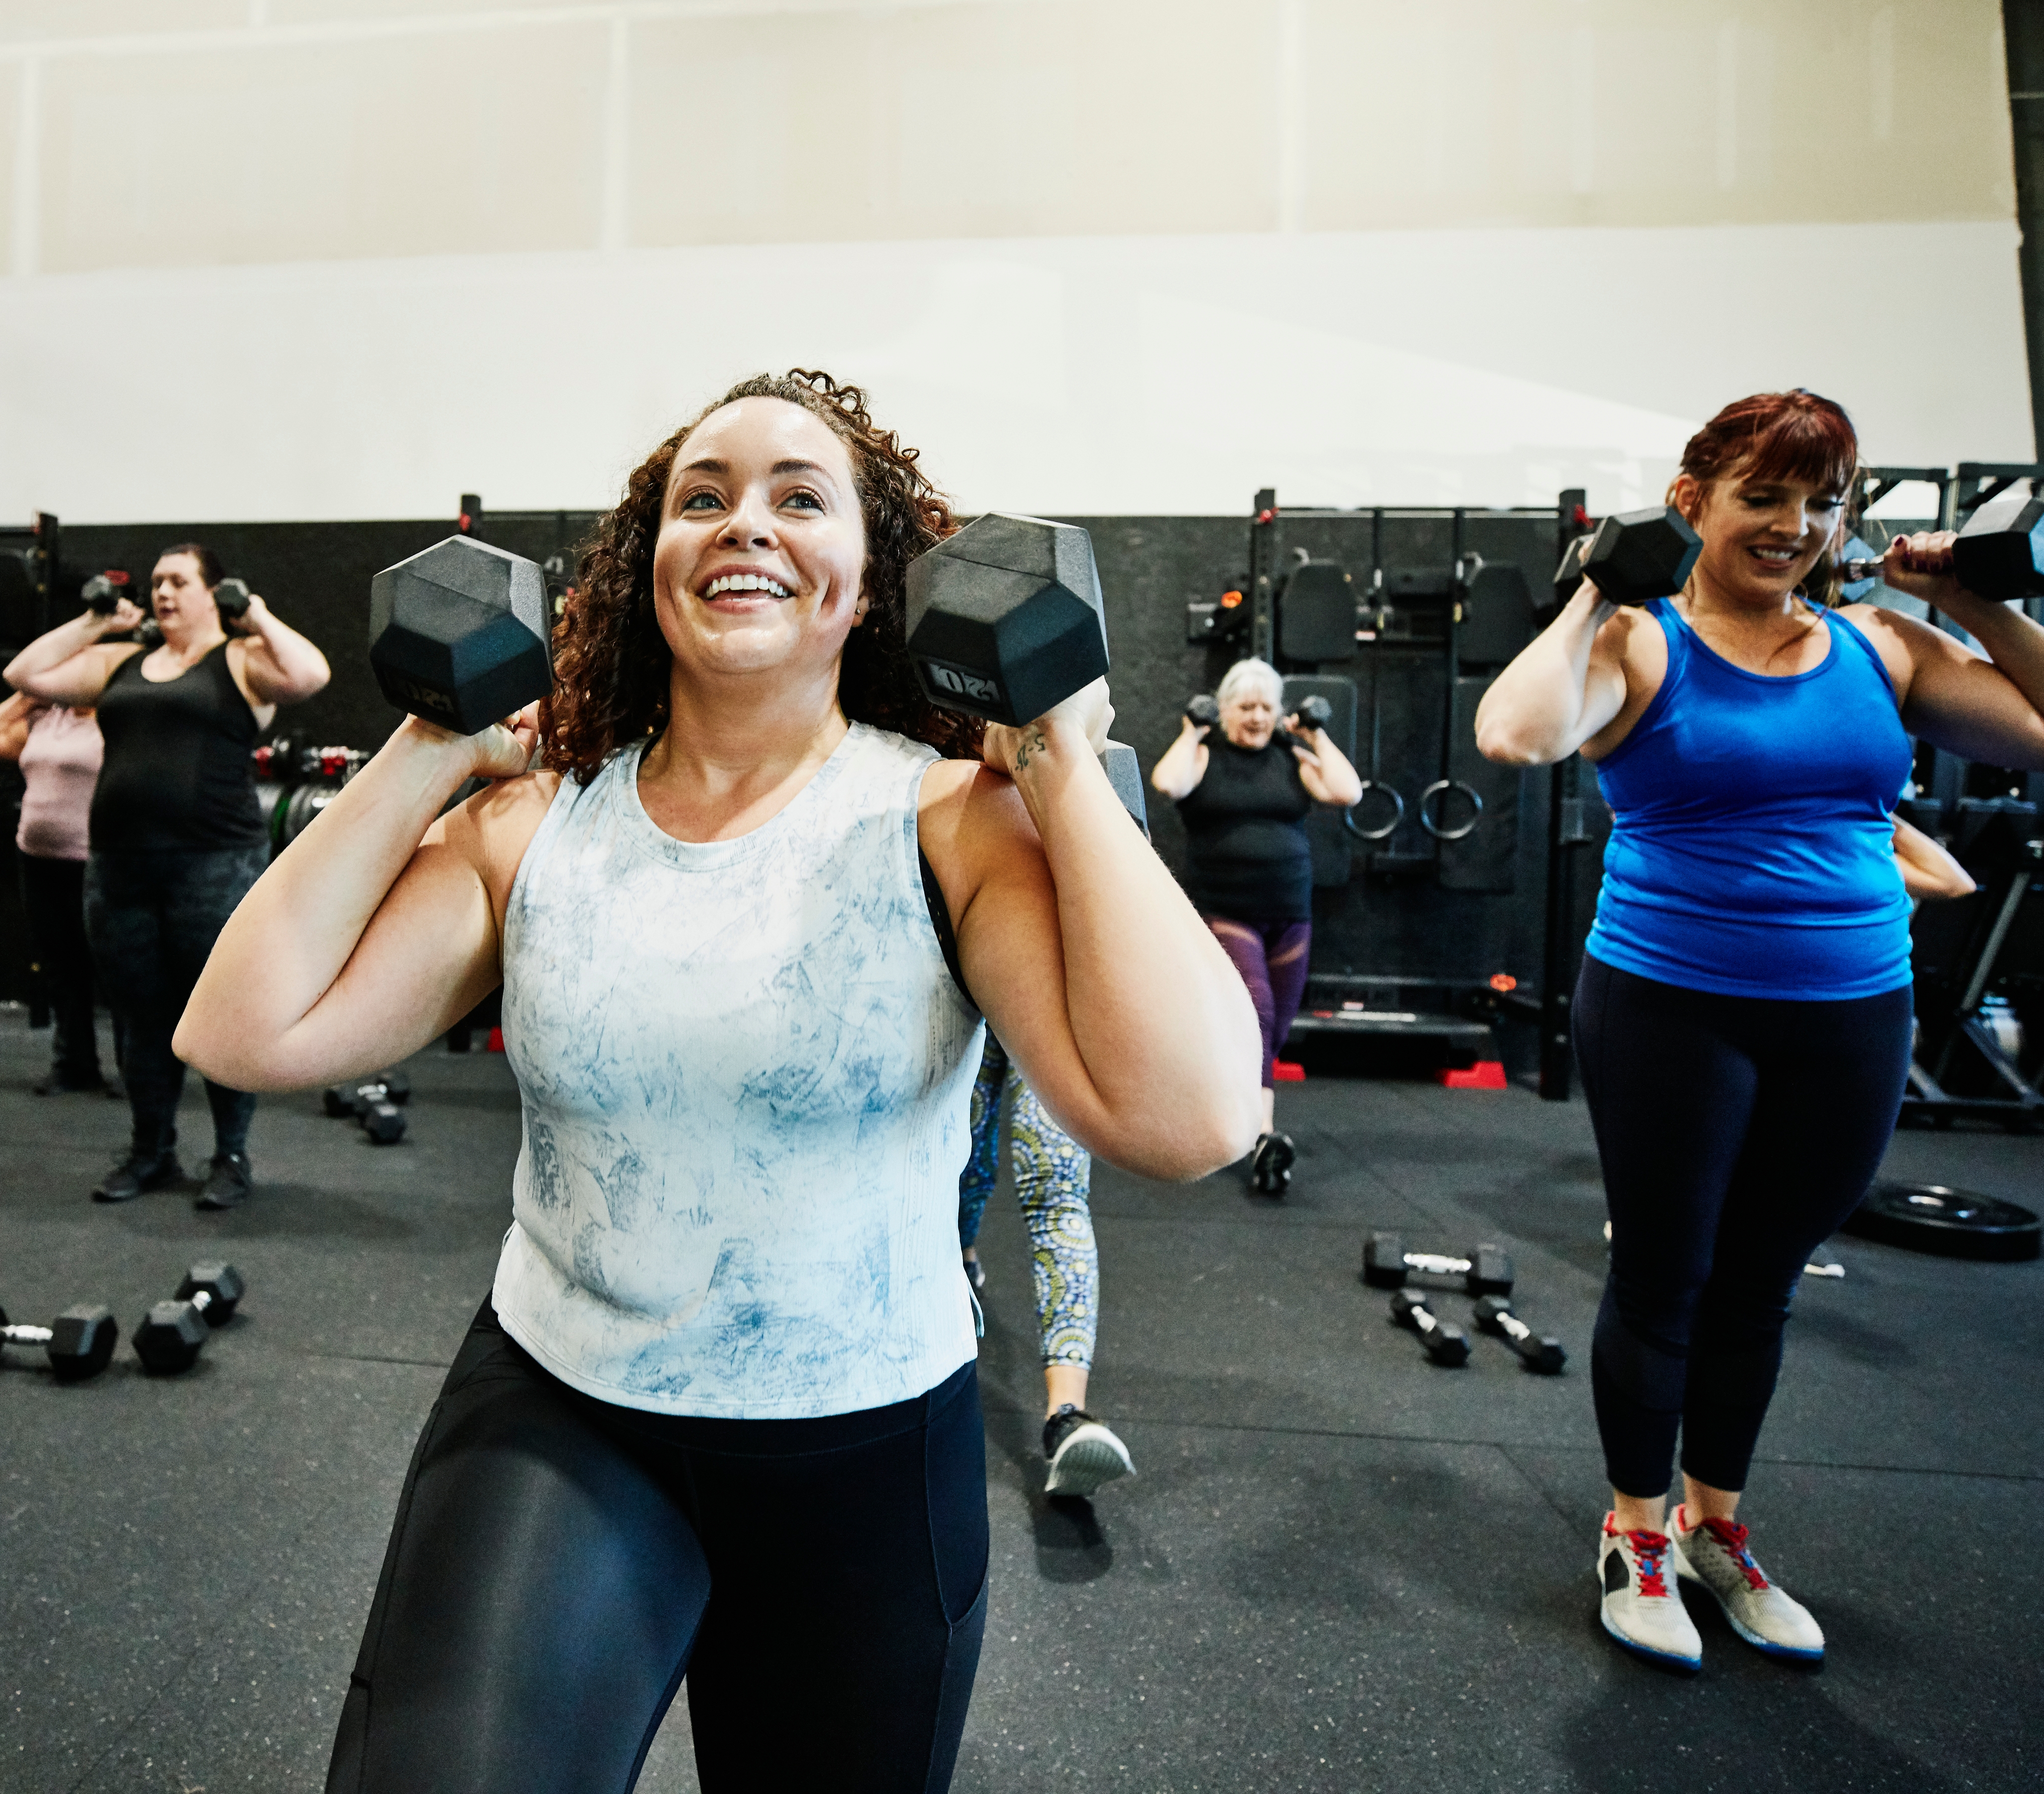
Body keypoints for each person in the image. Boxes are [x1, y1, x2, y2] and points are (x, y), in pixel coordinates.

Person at [174, 371, 1260, 1790]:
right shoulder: (534, 824)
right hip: (563, 1415)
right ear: (650, 567)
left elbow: (1191, 1118)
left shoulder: (949, 824)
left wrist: (1056, 754)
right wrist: (433, 744)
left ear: (873, 586)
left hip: (864, 1453)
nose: (743, 522)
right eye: (704, 496)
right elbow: (243, 1030)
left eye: (797, 497)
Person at [1474, 390, 2044, 1673]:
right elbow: (1512, 731)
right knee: (1666, 1272)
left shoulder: (1880, 645)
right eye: (1762, 497)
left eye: (1819, 500)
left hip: (1848, 1011)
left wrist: (1975, 602)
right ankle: (1633, 1534)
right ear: (1692, 502)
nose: (1793, 526)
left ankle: (1715, 1527)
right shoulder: (1640, 643)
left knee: (1761, 1280)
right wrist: (1587, 592)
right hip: (1671, 1003)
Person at [2, 544, 331, 1210]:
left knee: (222, 1018)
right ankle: (151, 1149)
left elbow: (311, 673)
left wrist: (257, 614)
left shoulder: (241, 662)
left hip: (214, 868)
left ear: (215, 592)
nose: (164, 592)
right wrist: (97, 620)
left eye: (179, 581)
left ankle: (231, 1155)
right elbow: (26, 671)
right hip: (119, 870)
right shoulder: (118, 661)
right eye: (157, 582)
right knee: (139, 1018)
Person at [1150, 657, 1363, 1191]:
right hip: (1226, 908)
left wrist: (1314, 734)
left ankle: (1233, 1112)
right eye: (1245, 707)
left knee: (1275, 1029)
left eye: (1267, 707)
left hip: (1290, 909)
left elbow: (1346, 790)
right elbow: (1166, 782)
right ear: (1223, 711)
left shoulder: (1291, 754)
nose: (1257, 717)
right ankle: (1262, 1135)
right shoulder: (1203, 753)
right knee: (1258, 1014)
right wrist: (1191, 729)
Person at [958, 1034, 1132, 1497]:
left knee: (1057, 1188)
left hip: (1040, 985)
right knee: (963, 1162)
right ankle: (961, 1254)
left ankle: (1067, 1415)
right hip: (953, 985)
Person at [0, 689, 115, 1096]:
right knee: (61, 964)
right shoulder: (46, 717)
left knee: (117, 969)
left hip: (100, 859)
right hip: (38, 858)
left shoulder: (120, 717)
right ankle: (74, 1065)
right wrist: (30, 693)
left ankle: (141, 1073)